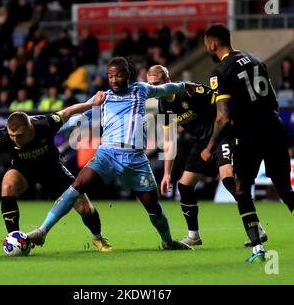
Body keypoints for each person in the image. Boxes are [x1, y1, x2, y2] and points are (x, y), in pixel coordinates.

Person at [27, 56, 199, 250]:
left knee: (153, 206)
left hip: (136, 159)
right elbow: (77, 119)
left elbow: (164, 89)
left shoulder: (140, 90)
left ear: (127, 75)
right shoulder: (103, 97)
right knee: (76, 187)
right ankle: (42, 231)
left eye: (118, 75)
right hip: (107, 154)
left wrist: (185, 85)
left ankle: (167, 241)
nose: (114, 80)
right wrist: (52, 130)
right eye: (110, 76)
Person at [202, 24, 294, 262]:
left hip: (248, 134)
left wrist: (209, 146)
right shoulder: (256, 60)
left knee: (242, 188)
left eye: (206, 44)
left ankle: (258, 249)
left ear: (213, 44)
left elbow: (223, 116)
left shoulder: (220, 71)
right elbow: (274, 101)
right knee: (285, 189)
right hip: (274, 128)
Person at [0, 93, 114, 252]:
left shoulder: (46, 124)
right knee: (8, 184)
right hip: (23, 170)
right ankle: (15, 239)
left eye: (19, 136)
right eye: (12, 136)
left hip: (52, 170)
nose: (15, 140)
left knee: (86, 209)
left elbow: (69, 111)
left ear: (30, 127)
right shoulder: (3, 137)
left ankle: (98, 238)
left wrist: (93, 105)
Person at [147, 65, 267, 247]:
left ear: (168, 80)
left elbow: (222, 103)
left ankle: (255, 227)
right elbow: (169, 141)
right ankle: (193, 235)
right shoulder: (163, 106)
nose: (154, 89)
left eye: (157, 84)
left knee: (228, 178)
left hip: (223, 134)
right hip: (202, 142)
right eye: (151, 86)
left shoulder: (190, 91)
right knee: (184, 186)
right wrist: (166, 174)